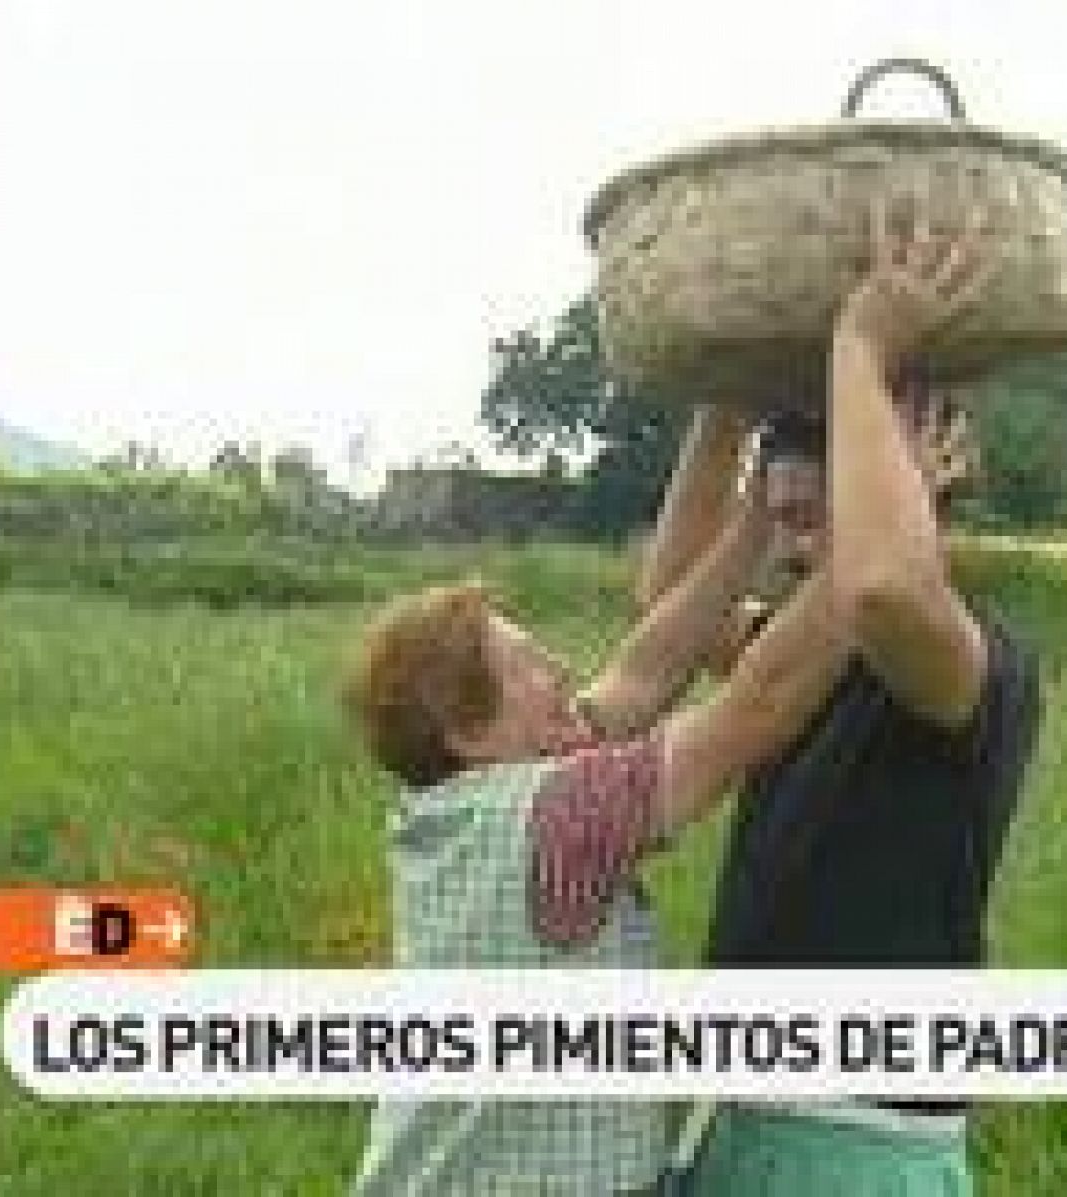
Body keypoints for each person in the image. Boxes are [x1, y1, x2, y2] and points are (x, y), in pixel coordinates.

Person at [640, 203, 1044, 1196]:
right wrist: (724, 401)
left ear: (912, 488)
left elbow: (881, 584)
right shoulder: (797, 656)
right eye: (780, 523)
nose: (794, 547)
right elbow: (670, 607)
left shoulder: (964, 660)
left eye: (815, 517)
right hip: (747, 1115)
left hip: (859, 1142)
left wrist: (861, 349)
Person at [342, 456, 851, 1196]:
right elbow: (759, 706)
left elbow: (645, 672)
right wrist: (883, 524)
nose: (558, 668)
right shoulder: (555, 813)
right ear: (466, 728)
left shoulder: (447, 807)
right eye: (526, 666)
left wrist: (753, 518)